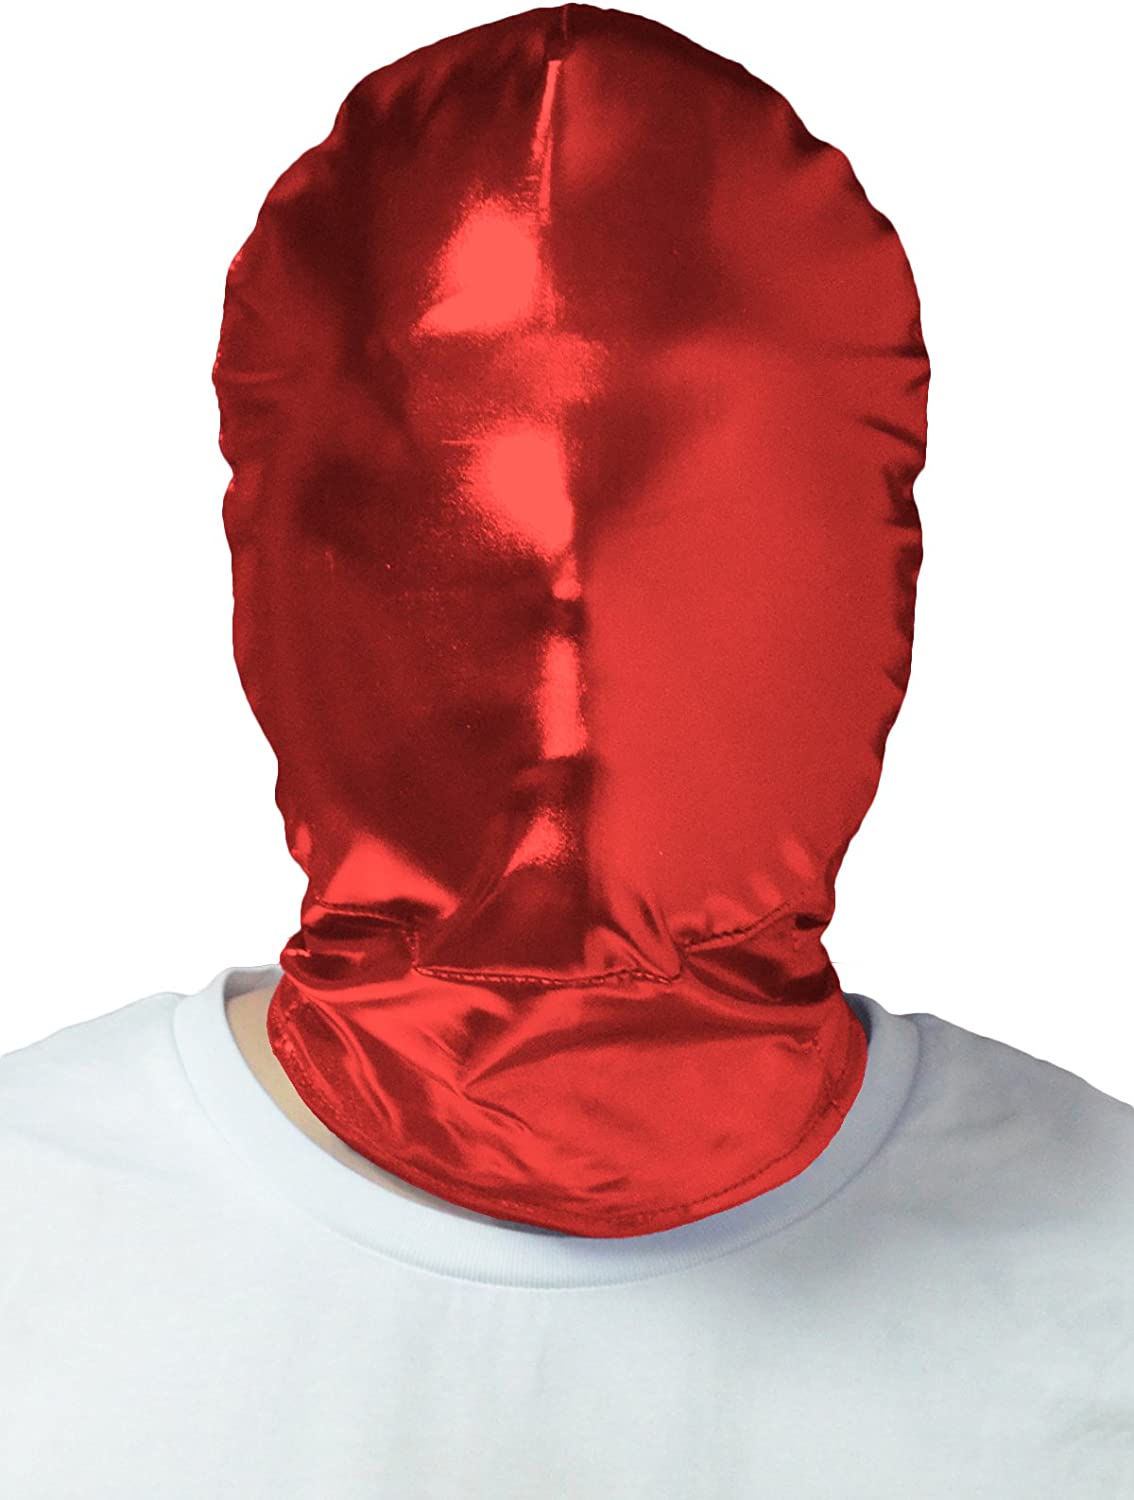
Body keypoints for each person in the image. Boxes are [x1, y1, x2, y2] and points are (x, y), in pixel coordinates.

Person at [2, 5, 1131, 1496]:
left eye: (686, 539)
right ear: (282, 574)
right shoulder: (29, 1236)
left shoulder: (1102, 1267)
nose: (566, 651)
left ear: (874, 578)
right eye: (450, 541)